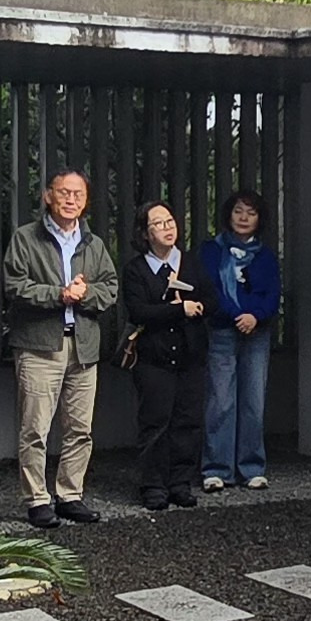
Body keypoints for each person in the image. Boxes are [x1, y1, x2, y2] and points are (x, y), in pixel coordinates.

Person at [0, 169, 120, 526]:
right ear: (48, 196)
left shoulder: (93, 243)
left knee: (80, 428)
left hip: (83, 345)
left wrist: (84, 294)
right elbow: (14, 285)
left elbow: (110, 288)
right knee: (35, 428)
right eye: (64, 192)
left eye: (78, 194)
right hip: (39, 346)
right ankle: (37, 498)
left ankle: (70, 494)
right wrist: (59, 295)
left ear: (86, 201)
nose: (71, 200)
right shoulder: (26, 237)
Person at [124, 203, 210, 510]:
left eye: (170, 221)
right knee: (155, 422)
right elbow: (139, 311)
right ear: (145, 233)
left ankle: (180, 482)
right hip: (153, 358)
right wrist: (178, 309)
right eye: (158, 224)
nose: (167, 228)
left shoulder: (192, 262)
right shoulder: (136, 269)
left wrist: (196, 307)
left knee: (188, 421)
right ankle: (153, 485)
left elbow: (211, 299)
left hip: (190, 356)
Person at [195, 190, 282, 493]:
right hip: (221, 329)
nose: (244, 218)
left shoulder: (266, 255)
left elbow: (272, 294)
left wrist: (254, 316)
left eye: (251, 213)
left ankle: (252, 468)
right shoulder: (211, 250)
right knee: (220, 401)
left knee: (253, 401)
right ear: (228, 215)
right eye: (238, 211)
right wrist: (236, 315)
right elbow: (209, 290)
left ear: (259, 219)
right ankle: (216, 469)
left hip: (257, 333)